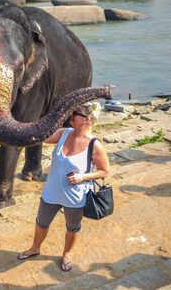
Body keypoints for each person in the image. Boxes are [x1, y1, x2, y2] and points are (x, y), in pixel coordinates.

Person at [18, 102, 110, 272]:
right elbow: (41, 137)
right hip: (51, 193)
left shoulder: (95, 145)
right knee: (41, 223)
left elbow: (105, 171)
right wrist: (24, 127)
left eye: (73, 113)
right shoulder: (62, 133)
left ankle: (67, 253)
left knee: (72, 227)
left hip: (75, 197)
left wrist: (82, 176)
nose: (70, 116)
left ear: (85, 119)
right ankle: (35, 248)